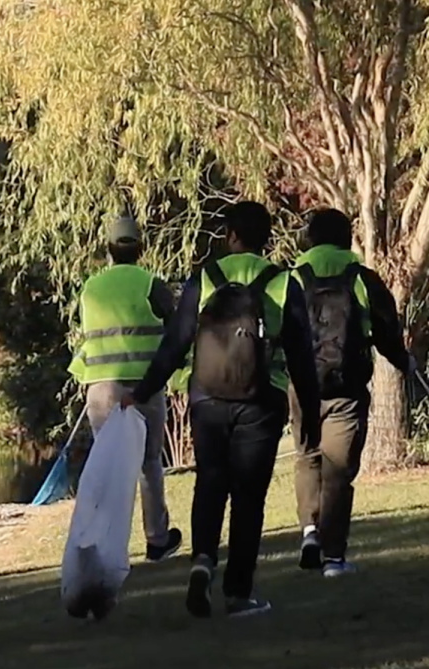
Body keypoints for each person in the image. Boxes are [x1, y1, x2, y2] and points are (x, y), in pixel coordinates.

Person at [123, 201, 321, 618]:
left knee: (210, 483)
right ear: (266, 239)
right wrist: (310, 414)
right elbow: (302, 354)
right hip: (262, 400)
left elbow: (175, 343)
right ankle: (238, 593)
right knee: (249, 497)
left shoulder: (206, 279)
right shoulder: (283, 283)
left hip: (207, 398)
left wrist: (142, 391)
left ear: (231, 236)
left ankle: (202, 562)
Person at [290, 208, 418, 576]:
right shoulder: (362, 278)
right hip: (346, 387)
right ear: (347, 238)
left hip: (302, 385)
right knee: (338, 472)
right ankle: (333, 557)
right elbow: (385, 331)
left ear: (310, 238)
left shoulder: (293, 278)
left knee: (306, 456)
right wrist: (403, 361)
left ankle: (309, 531)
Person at [67, 216, 183, 561]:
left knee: (107, 464)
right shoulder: (152, 284)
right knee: (148, 463)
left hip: (101, 388)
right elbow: (176, 329)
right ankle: (156, 539)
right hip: (144, 386)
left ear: (109, 250)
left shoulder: (91, 289)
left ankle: (102, 541)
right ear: (141, 248)